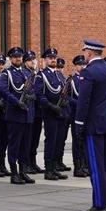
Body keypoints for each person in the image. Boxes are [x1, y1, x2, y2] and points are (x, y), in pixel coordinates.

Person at [75, 39, 106, 211]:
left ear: (90, 53)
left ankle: (99, 204)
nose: (84, 54)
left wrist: (78, 124)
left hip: (93, 125)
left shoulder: (89, 72)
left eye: (85, 52)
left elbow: (83, 101)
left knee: (96, 166)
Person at [0, 47, 36, 185]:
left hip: (27, 114)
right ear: (10, 58)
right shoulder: (6, 74)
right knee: (14, 145)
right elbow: (1, 89)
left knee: (25, 145)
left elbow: (32, 89)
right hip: (15, 114)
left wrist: (32, 96)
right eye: (15, 57)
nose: (18, 58)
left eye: (20, 56)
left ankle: (23, 171)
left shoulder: (27, 73)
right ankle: (14, 173)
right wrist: (16, 102)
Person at [34, 48, 68, 181]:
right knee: (51, 141)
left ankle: (54, 168)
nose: (53, 59)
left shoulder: (59, 75)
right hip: (50, 113)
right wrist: (51, 106)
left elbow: (64, 91)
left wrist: (64, 103)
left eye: (54, 57)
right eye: (50, 57)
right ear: (45, 60)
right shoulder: (41, 75)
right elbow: (39, 94)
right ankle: (48, 170)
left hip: (61, 112)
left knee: (59, 141)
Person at [69, 55, 89, 177]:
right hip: (76, 113)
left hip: (86, 114)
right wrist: (79, 104)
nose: (82, 66)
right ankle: (77, 167)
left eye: (84, 64)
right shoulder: (72, 80)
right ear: (76, 66)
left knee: (85, 141)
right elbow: (67, 96)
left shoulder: (87, 79)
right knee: (77, 141)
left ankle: (84, 165)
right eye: (80, 64)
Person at [26, 51, 44, 175]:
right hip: (29, 111)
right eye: (30, 60)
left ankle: (33, 161)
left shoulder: (36, 74)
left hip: (37, 112)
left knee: (35, 139)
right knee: (28, 139)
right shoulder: (26, 74)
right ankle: (26, 163)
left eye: (34, 59)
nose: (33, 62)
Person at [55, 58, 73, 172]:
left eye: (61, 67)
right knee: (56, 140)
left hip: (65, 113)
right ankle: (55, 162)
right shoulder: (55, 78)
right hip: (57, 112)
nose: (60, 69)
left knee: (62, 139)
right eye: (58, 67)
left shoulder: (64, 79)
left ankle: (59, 161)